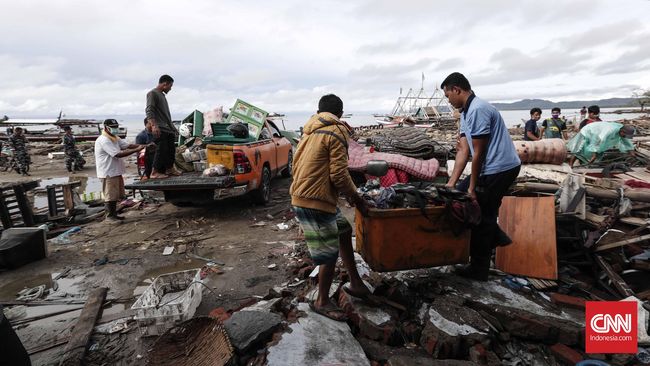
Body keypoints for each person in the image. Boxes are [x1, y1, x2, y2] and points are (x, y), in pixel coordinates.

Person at [290, 94, 372, 321]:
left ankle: (355, 283)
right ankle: (322, 301)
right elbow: (338, 173)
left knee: (344, 230)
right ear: (341, 114)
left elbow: (296, 164)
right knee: (328, 253)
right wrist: (356, 198)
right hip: (315, 200)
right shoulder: (336, 130)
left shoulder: (310, 130)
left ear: (319, 111)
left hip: (305, 194)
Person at [442, 72, 522, 281]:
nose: (448, 101)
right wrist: (451, 184)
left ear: (457, 90)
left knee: (479, 212)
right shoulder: (466, 113)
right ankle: (496, 236)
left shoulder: (478, 109)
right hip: (490, 167)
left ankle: (479, 269)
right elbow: (463, 152)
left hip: (501, 168)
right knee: (458, 197)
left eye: (447, 95)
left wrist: (471, 188)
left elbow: (479, 153)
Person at [94, 119, 144, 222]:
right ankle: (110, 217)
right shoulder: (104, 140)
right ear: (106, 128)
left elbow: (127, 145)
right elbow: (117, 154)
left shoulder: (114, 138)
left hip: (115, 171)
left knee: (115, 195)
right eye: (113, 127)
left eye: (116, 127)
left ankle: (114, 214)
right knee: (110, 195)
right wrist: (137, 150)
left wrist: (144, 146)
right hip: (108, 172)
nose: (115, 129)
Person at [146, 74, 180, 179]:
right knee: (161, 150)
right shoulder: (153, 93)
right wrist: (154, 125)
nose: (170, 88)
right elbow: (149, 110)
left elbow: (166, 116)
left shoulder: (162, 95)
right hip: (160, 128)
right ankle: (154, 172)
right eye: (170, 86)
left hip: (167, 128)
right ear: (165, 84)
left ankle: (170, 168)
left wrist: (174, 128)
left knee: (171, 150)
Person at [568, 122, 635, 167]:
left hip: (597, 134)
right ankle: (570, 165)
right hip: (588, 130)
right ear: (622, 131)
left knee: (599, 152)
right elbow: (598, 139)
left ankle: (588, 165)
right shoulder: (610, 130)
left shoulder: (622, 131)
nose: (625, 137)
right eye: (625, 135)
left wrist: (632, 153)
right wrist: (594, 154)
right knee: (578, 149)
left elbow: (627, 142)